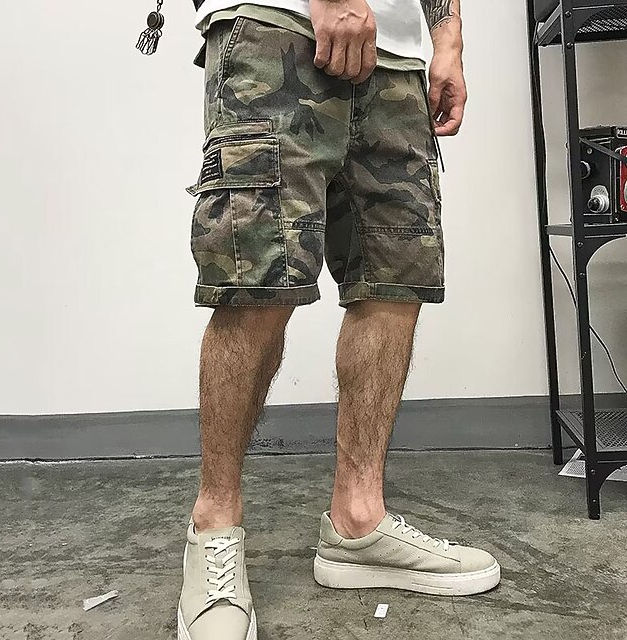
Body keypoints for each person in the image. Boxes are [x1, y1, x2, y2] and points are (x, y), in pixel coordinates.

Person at [178, 1, 500, 638]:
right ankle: (213, 527)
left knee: (393, 282)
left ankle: (358, 522)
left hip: (398, 59)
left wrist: (448, 40)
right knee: (258, 281)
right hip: (281, 25)